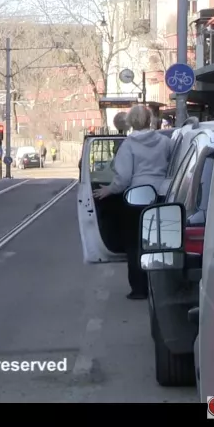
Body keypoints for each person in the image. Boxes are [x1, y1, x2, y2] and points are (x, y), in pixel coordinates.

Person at [92, 105, 173, 300]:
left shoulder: (128, 145)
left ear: (130, 122)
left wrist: (108, 190)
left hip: (136, 198)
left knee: (135, 244)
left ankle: (139, 288)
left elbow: (124, 178)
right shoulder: (164, 142)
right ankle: (163, 285)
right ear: (150, 120)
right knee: (160, 241)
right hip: (161, 195)